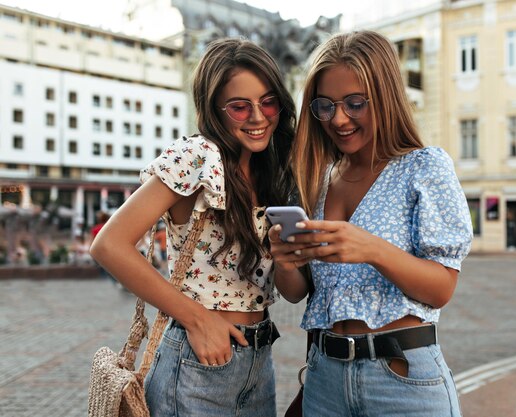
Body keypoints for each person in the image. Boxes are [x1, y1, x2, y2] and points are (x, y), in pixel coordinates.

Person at [269, 30, 473, 417]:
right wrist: (284, 259)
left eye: (355, 103)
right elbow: (296, 293)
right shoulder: (317, 178)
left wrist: (371, 249)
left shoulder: (424, 167)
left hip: (403, 380)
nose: (339, 119)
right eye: (325, 106)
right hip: (325, 378)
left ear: (384, 96)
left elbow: (442, 288)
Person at [90, 38, 296, 416]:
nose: (258, 116)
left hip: (258, 362)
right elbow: (109, 244)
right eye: (239, 107)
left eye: (268, 102)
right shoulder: (198, 155)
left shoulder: (271, 170)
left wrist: (291, 253)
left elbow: (291, 291)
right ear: (214, 110)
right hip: (197, 362)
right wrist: (198, 320)